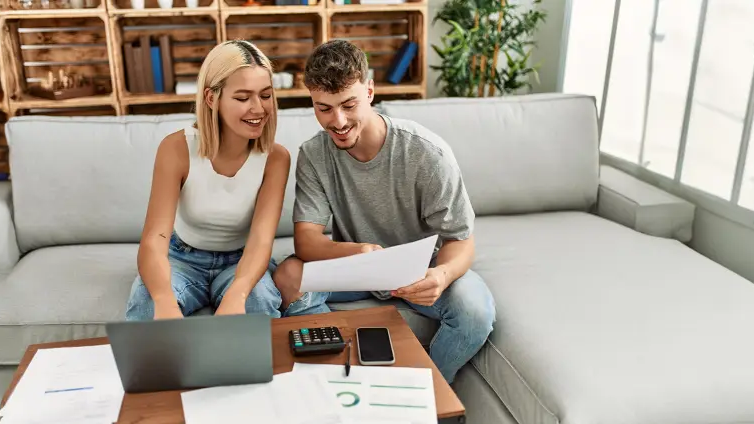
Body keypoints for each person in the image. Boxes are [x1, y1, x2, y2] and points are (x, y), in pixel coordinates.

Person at [271, 40, 494, 382]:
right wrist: (359, 252)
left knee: (475, 312)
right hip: (355, 268)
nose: (338, 121)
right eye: (324, 108)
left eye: (349, 104)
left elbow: (461, 241)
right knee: (287, 275)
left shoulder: (426, 153)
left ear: (370, 91)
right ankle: (338, 378)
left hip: (419, 272)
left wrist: (442, 275)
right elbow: (306, 242)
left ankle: (428, 390)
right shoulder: (314, 155)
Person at [124, 40, 291, 321]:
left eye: (265, 95)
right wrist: (164, 301)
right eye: (242, 98)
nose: (258, 108)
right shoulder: (175, 149)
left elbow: (261, 240)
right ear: (212, 98)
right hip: (181, 259)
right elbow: (155, 238)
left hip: (242, 260)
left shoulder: (276, 159)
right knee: (147, 306)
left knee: (258, 302)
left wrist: (237, 294)